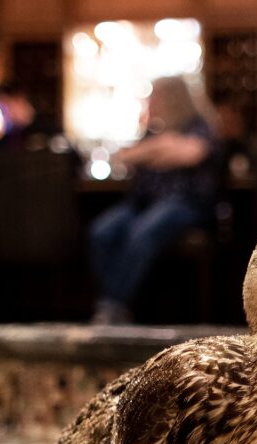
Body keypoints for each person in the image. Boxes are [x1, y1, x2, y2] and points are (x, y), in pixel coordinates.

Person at [89, 76, 221, 324]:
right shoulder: (152, 131)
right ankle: (115, 304)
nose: (150, 102)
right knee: (102, 231)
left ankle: (114, 307)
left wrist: (153, 151)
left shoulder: (199, 126)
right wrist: (163, 146)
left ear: (172, 98)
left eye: (154, 96)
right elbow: (124, 157)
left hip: (186, 204)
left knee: (144, 230)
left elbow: (192, 153)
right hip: (142, 203)